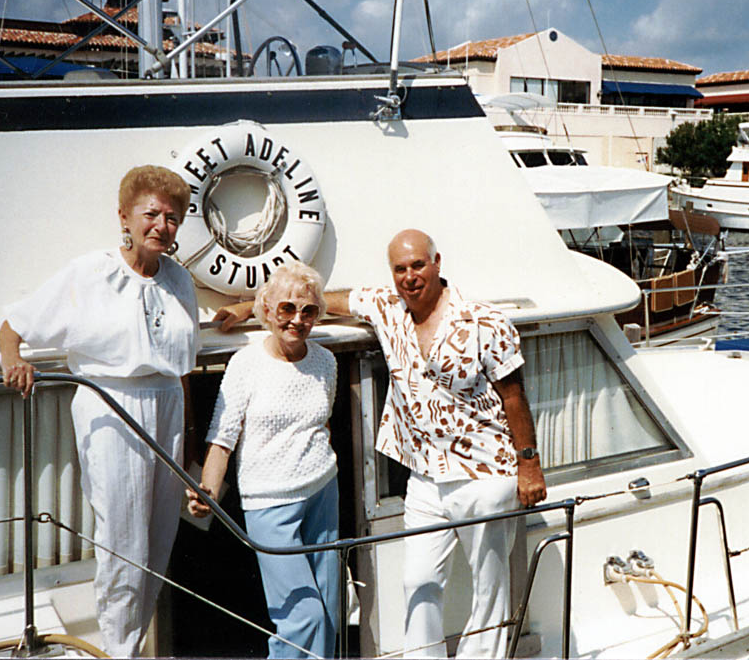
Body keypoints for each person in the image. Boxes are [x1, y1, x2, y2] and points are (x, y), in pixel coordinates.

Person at [215, 229, 546, 659]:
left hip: (484, 472)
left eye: (418, 265)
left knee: (489, 587)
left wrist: (530, 465)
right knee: (419, 581)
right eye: (400, 269)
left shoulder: (485, 321)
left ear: (437, 263)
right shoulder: (387, 308)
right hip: (424, 474)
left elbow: (514, 396)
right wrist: (248, 307)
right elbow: (329, 300)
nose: (410, 276)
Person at [0, 165, 198, 657]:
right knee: (123, 540)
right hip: (111, 405)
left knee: (158, 541)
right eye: (151, 214)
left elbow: (183, 371)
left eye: (173, 217)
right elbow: (12, 326)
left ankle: (129, 644)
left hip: (168, 405)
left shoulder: (179, 281)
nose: (161, 226)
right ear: (124, 216)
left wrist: (188, 447)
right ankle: (118, 648)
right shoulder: (91, 272)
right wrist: (13, 361)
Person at [189, 262, 339, 660]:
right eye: (287, 309)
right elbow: (222, 439)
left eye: (307, 311)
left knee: (328, 611)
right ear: (268, 309)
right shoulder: (246, 364)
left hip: (323, 490)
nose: (297, 320)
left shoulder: (326, 361)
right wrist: (208, 490)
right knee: (301, 615)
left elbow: (320, 424)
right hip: (269, 502)